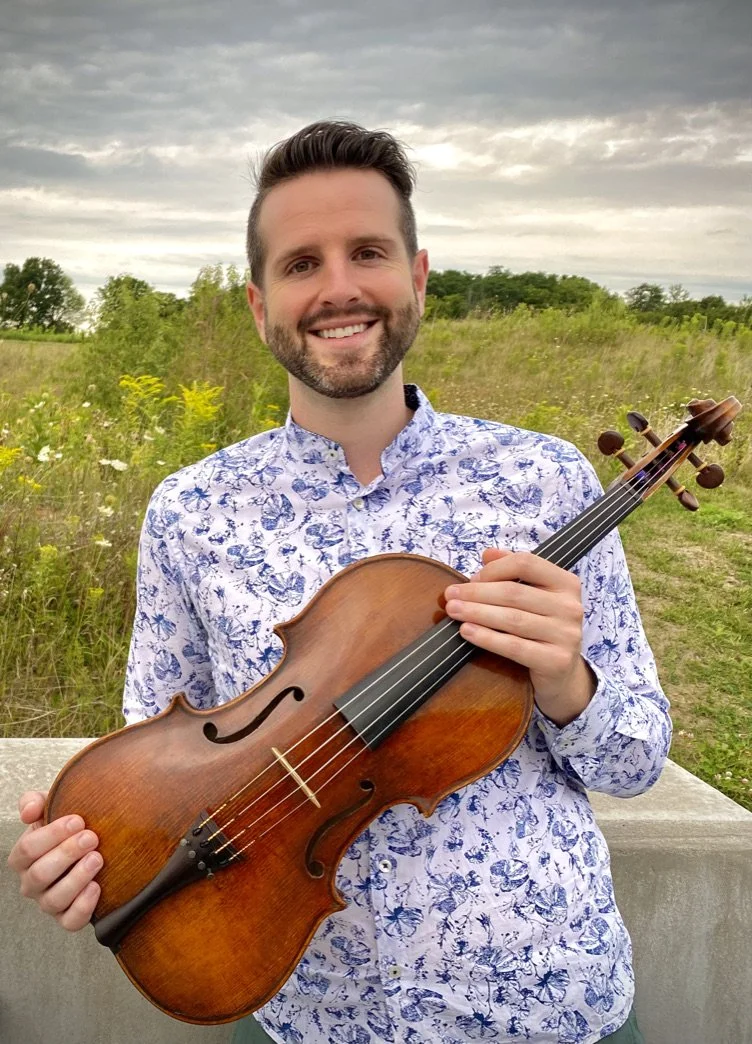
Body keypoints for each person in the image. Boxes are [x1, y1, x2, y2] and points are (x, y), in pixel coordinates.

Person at [9, 120, 669, 1044]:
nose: (340, 288)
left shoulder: (544, 481)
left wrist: (565, 683)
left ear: (419, 275)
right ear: (258, 303)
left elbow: (635, 761)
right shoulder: (191, 511)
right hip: (309, 1016)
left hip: (544, 1004)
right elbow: (150, 766)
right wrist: (90, 853)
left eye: (368, 252)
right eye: (301, 263)